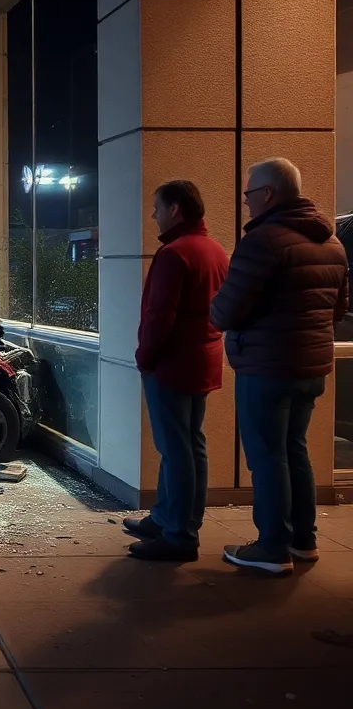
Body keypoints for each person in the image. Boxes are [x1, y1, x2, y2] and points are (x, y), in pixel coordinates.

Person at [211, 157, 350, 575]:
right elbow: (339, 309)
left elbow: (225, 312)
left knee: (267, 457)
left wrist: (215, 304)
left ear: (268, 194)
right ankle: (302, 541)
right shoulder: (333, 243)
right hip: (310, 367)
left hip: (266, 368)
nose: (246, 202)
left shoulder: (263, 241)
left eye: (249, 194)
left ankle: (272, 547)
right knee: (295, 450)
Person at [125, 181, 230, 561]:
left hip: (171, 364)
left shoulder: (174, 254)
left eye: (157, 206)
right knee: (190, 445)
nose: (153, 214)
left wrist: (145, 357)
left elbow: (159, 316)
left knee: (175, 450)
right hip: (202, 360)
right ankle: (168, 517)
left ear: (176, 210)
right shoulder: (215, 250)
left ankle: (179, 535)